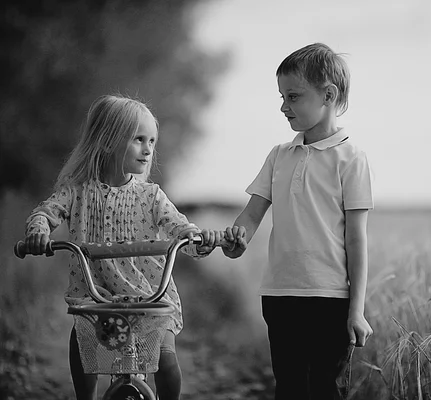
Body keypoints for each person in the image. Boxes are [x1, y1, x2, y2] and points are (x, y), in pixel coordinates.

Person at [21, 94, 220, 400]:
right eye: (139, 139)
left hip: (150, 297)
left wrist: (199, 239)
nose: (148, 149)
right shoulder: (77, 193)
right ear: (107, 142)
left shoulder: (151, 196)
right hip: (98, 298)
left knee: (166, 361)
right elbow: (46, 213)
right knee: (82, 342)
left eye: (152, 141)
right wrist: (38, 232)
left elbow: (181, 228)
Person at [222, 43, 374, 400]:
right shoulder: (279, 155)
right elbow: (252, 213)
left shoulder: (351, 159)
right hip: (279, 293)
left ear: (328, 95)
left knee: (323, 387)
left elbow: (357, 240)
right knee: (288, 386)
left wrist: (357, 310)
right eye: (281, 96)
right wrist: (234, 240)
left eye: (293, 96)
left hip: (330, 298)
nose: (283, 106)